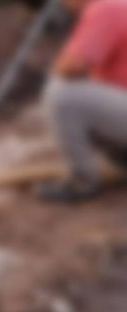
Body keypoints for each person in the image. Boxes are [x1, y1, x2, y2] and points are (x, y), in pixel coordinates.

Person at [38, 0, 127, 201]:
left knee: (62, 94)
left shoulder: (105, 9)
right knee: (86, 95)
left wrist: (63, 60)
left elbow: (71, 67)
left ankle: (82, 181)